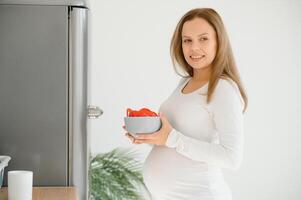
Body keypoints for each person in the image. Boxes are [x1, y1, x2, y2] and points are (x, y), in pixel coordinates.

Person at [123, 7, 248, 200]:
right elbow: (176, 141)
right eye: (187, 40)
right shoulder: (184, 83)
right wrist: (151, 137)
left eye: (203, 39)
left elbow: (232, 158)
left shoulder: (223, 89)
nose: (194, 48)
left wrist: (171, 138)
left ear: (219, 41)